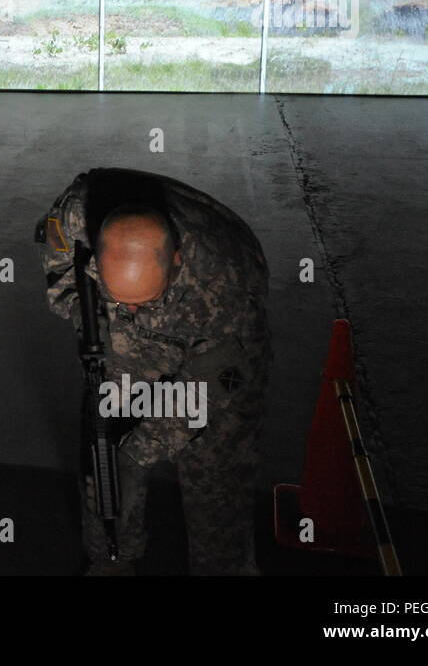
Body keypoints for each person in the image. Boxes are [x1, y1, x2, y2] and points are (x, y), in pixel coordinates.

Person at [37, 167, 270, 575]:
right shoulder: (75, 215)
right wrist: (87, 318)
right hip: (135, 339)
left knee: (216, 480)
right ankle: (112, 556)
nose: (129, 311)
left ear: (176, 259)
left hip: (212, 355)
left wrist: (139, 453)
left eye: (142, 300)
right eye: (119, 298)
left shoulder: (227, 282)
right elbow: (61, 278)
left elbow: (213, 384)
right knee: (103, 452)